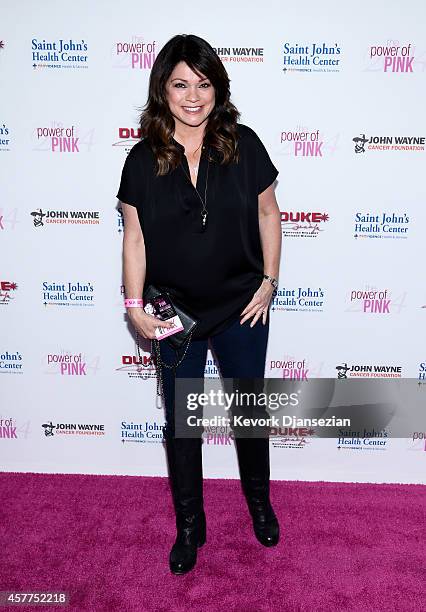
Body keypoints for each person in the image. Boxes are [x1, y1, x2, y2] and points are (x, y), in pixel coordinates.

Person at [117, 34, 282, 575]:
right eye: (181, 84)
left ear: (218, 88)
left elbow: (268, 214)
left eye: (204, 84)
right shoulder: (142, 160)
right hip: (173, 312)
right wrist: (135, 305)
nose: (193, 96)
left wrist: (270, 280)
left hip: (241, 305)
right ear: (162, 89)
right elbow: (135, 237)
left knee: (248, 413)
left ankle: (260, 503)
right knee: (182, 424)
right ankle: (191, 527)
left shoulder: (245, 143)